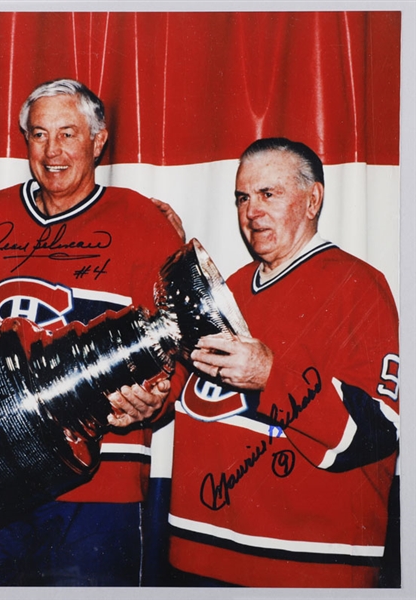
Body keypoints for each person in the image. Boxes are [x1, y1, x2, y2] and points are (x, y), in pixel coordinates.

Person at [0, 78, 185, 586]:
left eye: (68, 134)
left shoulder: (143, 223)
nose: (53, 151)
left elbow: (175, 353)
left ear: (98, 140)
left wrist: (159, 399)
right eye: (39, 135)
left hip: (98, 490)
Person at [166, 138, 400, 587]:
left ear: (313, 200)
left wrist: (271, 376)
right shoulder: (227, 291)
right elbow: (187, 395)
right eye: (243, 197)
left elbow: (375, 434)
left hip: (306, 567)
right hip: (197, 555)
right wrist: (151, 398)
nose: (252, 211)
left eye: (269, 194)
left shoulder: (359, 287)